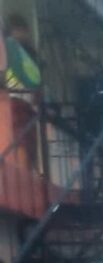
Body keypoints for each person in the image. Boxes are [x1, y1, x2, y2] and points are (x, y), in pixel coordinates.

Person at [4, 14, 41, 169]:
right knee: (21, 143)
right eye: (20, 30)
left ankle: (26, 171)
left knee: (25, 144)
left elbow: (36, 80)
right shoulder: (9, 50)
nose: (24, 34)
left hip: (23, 103)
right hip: (15, 101)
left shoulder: (27, 52)